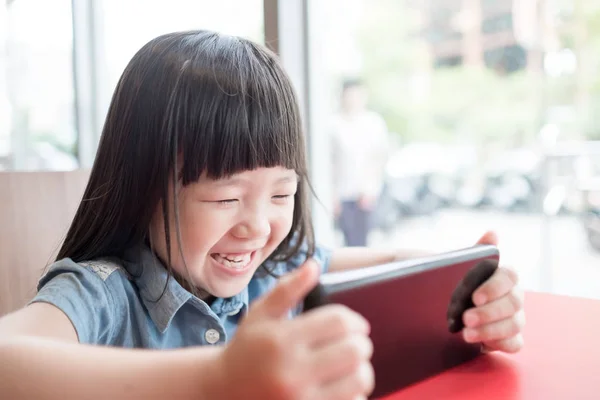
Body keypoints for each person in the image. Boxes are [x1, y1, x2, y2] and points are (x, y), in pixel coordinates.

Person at [0, 31, 525, 399]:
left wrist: (478, 289)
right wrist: (218, 381)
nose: (257, 228)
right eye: (226, 199)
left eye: (281, 195)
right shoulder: (103, 295)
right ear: (144, 191)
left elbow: (388, 260)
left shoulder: (274, 274)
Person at [331, 78, 389, 246]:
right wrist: (332, 195)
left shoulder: (373, 123)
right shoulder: (334, 124)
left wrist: (371, 188)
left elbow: (379, 158)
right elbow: (330, 163)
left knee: (364, 239)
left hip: (366, 192)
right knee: (348, 238)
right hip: (342, 192)